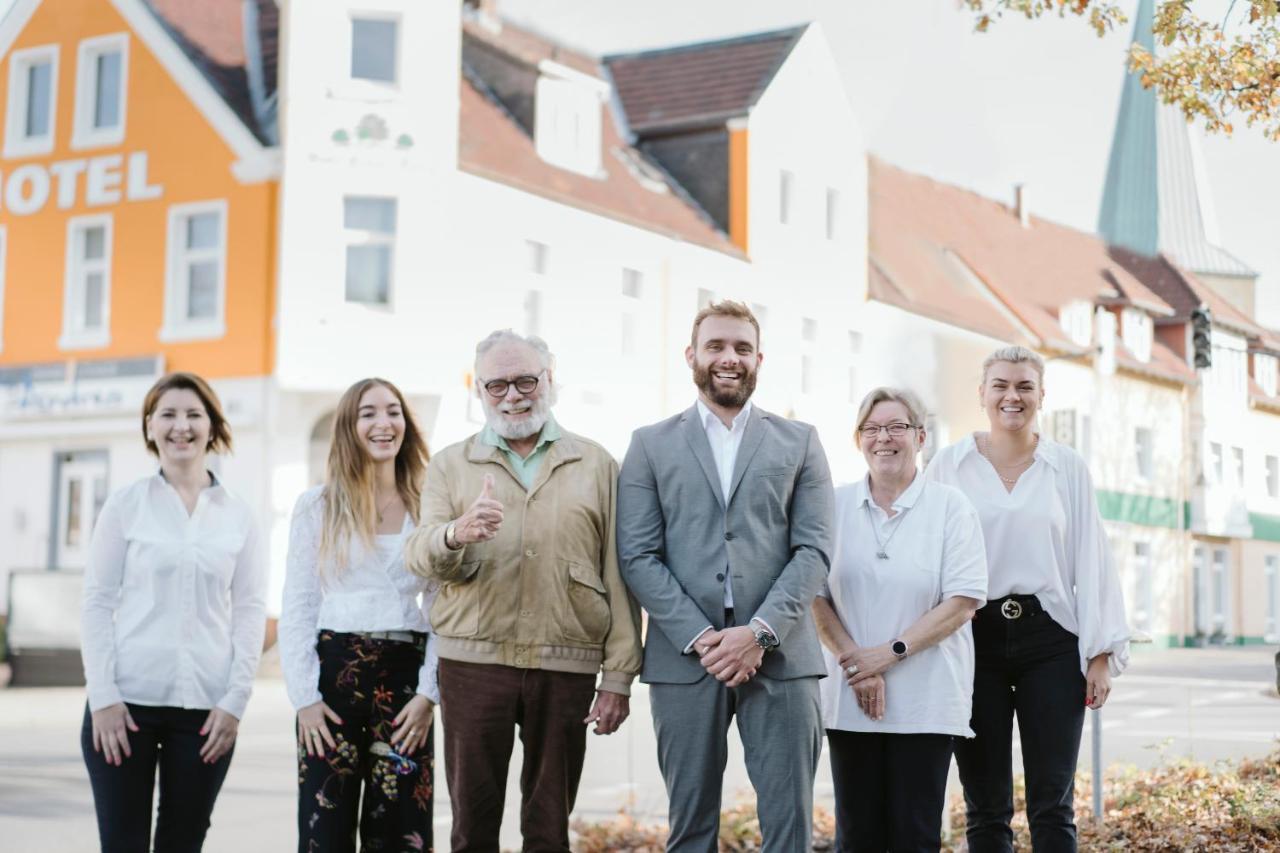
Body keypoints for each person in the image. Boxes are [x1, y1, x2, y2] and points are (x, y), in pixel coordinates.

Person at [404, 329, 642, 853]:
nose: (512, 395)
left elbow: (619, 574)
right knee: (472, 828)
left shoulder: (597, 464)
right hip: (473, 665)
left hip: (566, 664)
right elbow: (419, 556)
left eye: (525, 380)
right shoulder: (449, 464)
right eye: (497, 385)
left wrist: (619, 677)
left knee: (549, 830)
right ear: (479, 390)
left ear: (550, 381)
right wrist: (456, 534)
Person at [617, 300, 834, 852]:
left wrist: (758, 633)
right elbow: (638, 554)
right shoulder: (650, 444)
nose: (728, 358)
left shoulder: (800, 441)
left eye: (741, 347)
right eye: (715, 346)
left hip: (782, 657)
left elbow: (815, 550)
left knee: (789, 831)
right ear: (692, 356)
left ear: (759, 358)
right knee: (690, 829)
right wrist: (703, 637)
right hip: (686, 658)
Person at [926, 345, 1130, 852]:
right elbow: (926, 555)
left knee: (1052, 803)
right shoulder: (949, 466)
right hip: (972, 640)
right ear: (981, 394)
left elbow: (1092, 556)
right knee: (986, 806)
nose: (1011, 396)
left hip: (1052, 641)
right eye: (1000, 385)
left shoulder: (1066, 466)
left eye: (1024, 386)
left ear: (1041, 396)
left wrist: (1100, 654)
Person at [80, 372, 267, 852]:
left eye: (193, 414)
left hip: (205, 712)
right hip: (124, 706)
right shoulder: (125, 506)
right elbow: (97, 602)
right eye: (168, 414)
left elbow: (249, 610)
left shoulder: (238, 515)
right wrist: (102, 697)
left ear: (211, 426)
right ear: (149, 427)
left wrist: (235, 701)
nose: (180, 426)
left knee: (182, 845)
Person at [812, 386, 987, 852]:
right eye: (871, 429)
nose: (883, 438)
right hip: (849, 698)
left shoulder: (952, 508)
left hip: (926, 702)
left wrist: (887, 656)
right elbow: (813, 596)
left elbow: (963, 600)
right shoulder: (831, 505)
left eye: (896, 427)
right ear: (858, 440)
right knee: (857, 837)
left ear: (920, 436)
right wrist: (856, 662)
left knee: (915, 835)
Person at [279, 377, 438, 853]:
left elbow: (441, 610)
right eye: (367, 413)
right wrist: (304, 697)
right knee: (324, 830)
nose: (383, 423)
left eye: (393, 411)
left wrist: (430, 694)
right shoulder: (317, 506)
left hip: (406, 684)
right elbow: (298, 605)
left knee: (402, 829)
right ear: (349, 427)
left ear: (406, 424)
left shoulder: (429, 508)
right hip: (332, 682)